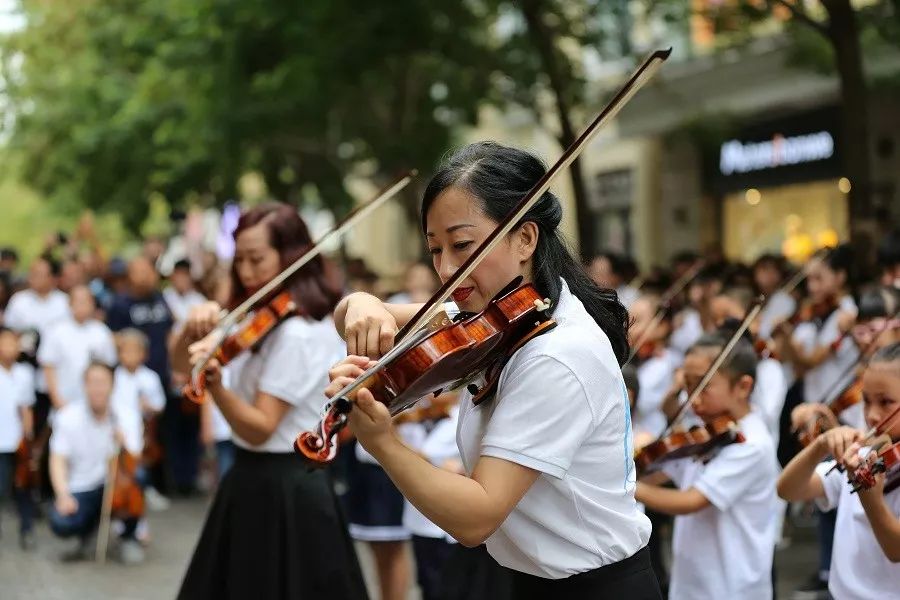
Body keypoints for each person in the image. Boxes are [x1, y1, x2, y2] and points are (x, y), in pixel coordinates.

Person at [329, 142, 659, 598]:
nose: (446, 269)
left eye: (463, 245)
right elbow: (350, 311)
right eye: (434, 249)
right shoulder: (494, 314)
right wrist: (365, 305)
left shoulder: (556, 352)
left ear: (525, 239)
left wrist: (382, 443)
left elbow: (476, 517)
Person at [173, 203, 367, 599]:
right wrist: (190, 328)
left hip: (287, 486)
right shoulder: (255, 318)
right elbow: (181, 363)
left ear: (292, 256)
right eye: (239, 259)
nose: (245, 271)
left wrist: (217, 387)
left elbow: (260, 428)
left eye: (256, 259)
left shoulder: (298, 332)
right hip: (252, 479)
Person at [635, 333, 780, 600]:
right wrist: (638, 456)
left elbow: (692, 500)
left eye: (702, 386)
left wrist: (628, 487)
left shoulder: (752, 445)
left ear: (743, 387)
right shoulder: (706, 435)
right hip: (693, 581)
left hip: (731, 586)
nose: (693, 399)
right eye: (688, 387)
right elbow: (661, 474)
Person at [777, 342, 900, 600]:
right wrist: (820, 446)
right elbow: (788, 489)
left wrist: (871, 500)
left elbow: (895, 549)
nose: (872, 415)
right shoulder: (864, 458)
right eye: (866, 401)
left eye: (886, 402)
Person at [48, 361, 142, 563]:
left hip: (116, 485)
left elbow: (136, 459)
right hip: (82, 485)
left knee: (139, 479)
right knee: (61, 521)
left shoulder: (126, 415)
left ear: (112, 385)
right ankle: (87, 532)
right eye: (92, 382)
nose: (97, 388)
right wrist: (63, 495)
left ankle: (129, 536)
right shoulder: (67, 416)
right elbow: (57, 459)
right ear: (84, 385)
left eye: (102, 382)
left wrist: (123, 443)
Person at [38, 285, 117, 411]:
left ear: (93, 304)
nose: (82, 305)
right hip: (64, 401)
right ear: (69, 303)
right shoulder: (56, 331)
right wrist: (57, 400)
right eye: (78, 301)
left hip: (96, 405)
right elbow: (48, 367)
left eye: (86, 301)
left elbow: (109, 368)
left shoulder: (102, 332)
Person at [0, 326, 36, 550]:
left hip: (19, 442)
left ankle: (27, 529)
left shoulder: (24, 373)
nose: (9, 348)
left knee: (24, 488)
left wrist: (28, 435)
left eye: (13, 342)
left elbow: (26, 408)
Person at [163, 259, 207, 328]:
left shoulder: (199, 299)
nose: (181, 279)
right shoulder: (163, 297)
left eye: (185, 275)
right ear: (172, 276)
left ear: (190, 277)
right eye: (179, 274)